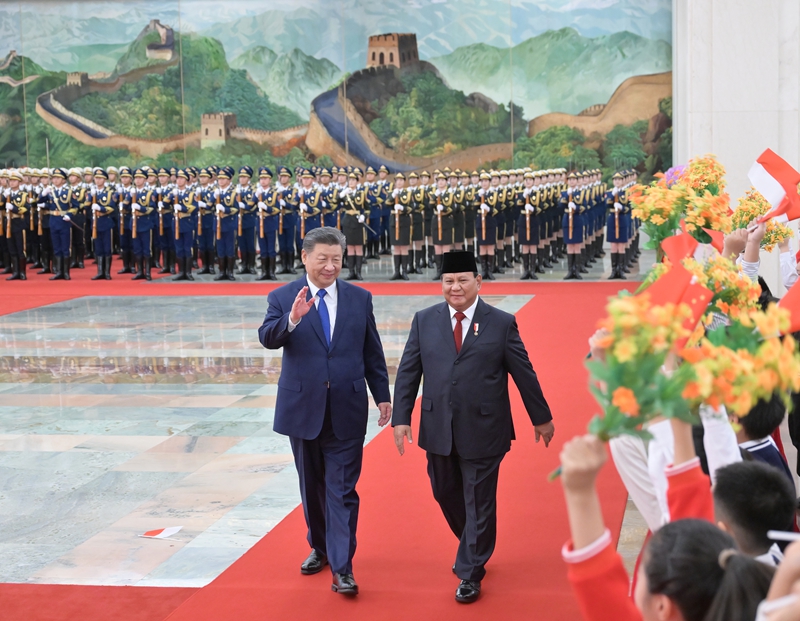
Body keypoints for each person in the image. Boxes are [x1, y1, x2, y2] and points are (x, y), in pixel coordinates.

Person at [391, 250, 554, 603]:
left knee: (478, 500)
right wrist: (401, 418)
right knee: (444, 491)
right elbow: (408, 372)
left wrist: (540, 417)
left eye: (463, 280)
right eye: (448, 281)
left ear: (478, 282)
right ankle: (473, 545)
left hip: (485, 427)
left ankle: (470, 572)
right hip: (437, 426)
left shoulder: (501, 323)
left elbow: (524, 372)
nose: (456, 287)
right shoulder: (424, 320)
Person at [257, 226, 391, 596]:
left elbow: (372, 351)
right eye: (322, 259)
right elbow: (267, 338)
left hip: (347, 408)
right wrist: (292, 320)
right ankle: (320, 547)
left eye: (336, 259)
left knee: (342, 490)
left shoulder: (359, 298)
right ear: (305, 258)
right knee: (312, 486)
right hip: (303, 409)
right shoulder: (283, 296)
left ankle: (343, 569)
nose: (330, 266)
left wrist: (382, 395)